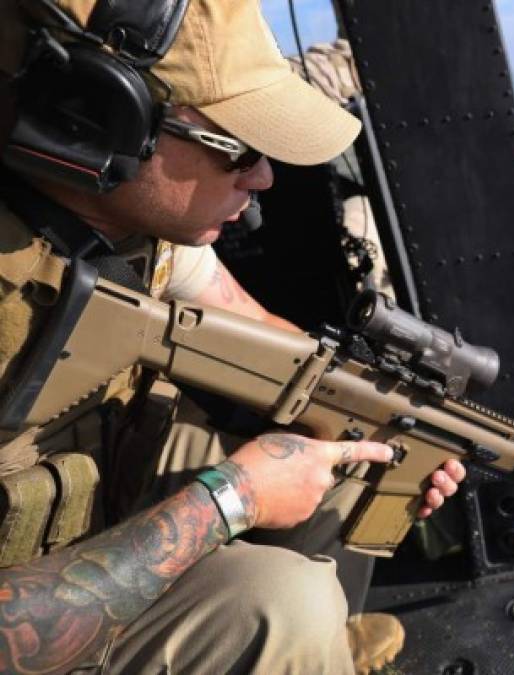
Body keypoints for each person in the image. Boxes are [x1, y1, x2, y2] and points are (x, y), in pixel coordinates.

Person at [0, 0, 465, 673]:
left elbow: (269, 343)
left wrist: (389, 419)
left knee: (349, 450)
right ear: (94, 115)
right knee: (280, 605)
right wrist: (232, 497)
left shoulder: (115, 217)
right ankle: (288, 644)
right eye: (237, 148)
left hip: (79, 490)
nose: (263, 177)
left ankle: (318, 651)